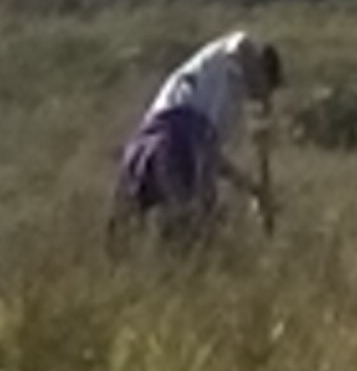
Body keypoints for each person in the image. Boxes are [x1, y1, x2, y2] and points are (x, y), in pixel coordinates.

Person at [114, 30, 283, 232]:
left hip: (148, 145)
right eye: (265, 88)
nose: (256, 95)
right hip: (176, 138)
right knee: (196, 226)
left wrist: (252, 189)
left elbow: (213, 157)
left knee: (176, 229)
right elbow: (243, 42)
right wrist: (264, 101)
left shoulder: (229, 104)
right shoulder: (226, 57)